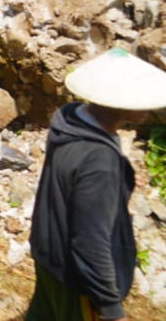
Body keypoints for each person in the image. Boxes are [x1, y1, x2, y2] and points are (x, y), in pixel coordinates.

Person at [26, 48, 166, 321]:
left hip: (47, 251)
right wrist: (111, 309)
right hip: (73, 276)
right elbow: (91, 241)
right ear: (117, 102)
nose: (148, 106)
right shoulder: (99, 161)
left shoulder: (70, 121)